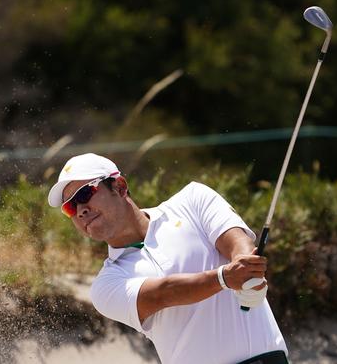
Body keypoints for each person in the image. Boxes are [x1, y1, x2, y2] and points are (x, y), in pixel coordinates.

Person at [47, 153, 288, 364]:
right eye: (70, 207)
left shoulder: (193, 200)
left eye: (85, 194)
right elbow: (163, 293)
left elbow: (237, 243)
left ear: (120, 187)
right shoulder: (106, 284)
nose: (80, 210)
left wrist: (248, 274)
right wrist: (225, 278)